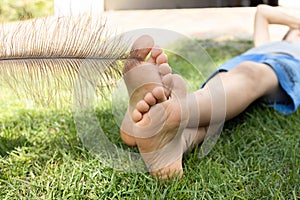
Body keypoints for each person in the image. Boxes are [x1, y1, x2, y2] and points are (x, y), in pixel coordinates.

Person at [120, 4, 300, 180]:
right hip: (239, 65)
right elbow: (263, 11)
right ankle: (172, 144)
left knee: (250, 73)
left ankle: (174, 109)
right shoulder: (267, 44)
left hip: (288, 64)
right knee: (214, 112)